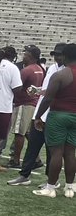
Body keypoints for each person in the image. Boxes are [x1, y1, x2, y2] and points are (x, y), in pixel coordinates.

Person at [8, 44, 67, 186]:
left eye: (60, 54)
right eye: (55, 54)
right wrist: (38, 91)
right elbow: (48, 90)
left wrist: (43, 92)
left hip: (53, 114)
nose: (57, 57)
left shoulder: (66, 72)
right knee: (33, 146)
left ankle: (52, 180)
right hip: (41, 111)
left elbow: (57, 92)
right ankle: (24, 175)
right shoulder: (51, 68)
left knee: (51, 149)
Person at [32, 43, 76, 198]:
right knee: (71, 152)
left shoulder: (60, 75)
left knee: (56, 152)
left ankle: (50, 187)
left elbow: (48, 98)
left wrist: (38, 116)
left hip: (59, 115)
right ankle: (70, 187)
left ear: (65, 56)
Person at [7, 45, 44, 167]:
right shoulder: (39, 68)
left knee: (19, 133)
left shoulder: (26, 70)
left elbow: (17, 86)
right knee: (28, 133)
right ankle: (36, 158)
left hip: (24, 103)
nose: (24, 56)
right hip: (33, 103)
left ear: (31, 56)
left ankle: (16, 160)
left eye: (26, 54)